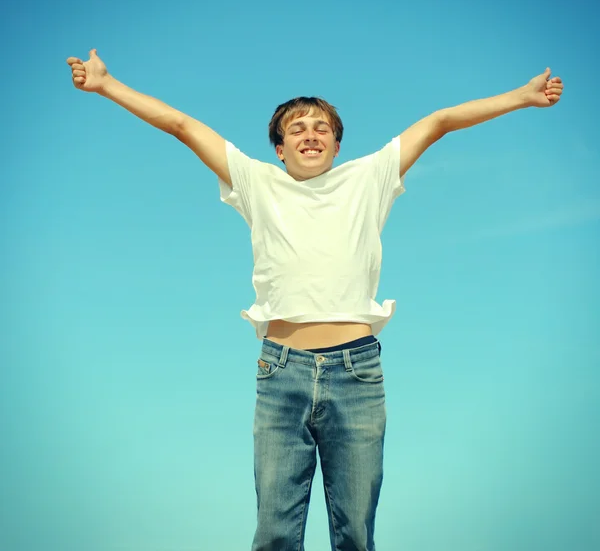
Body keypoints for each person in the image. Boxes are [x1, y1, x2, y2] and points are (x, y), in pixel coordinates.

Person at [66, 50, 564, 551]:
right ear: (280, 149)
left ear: (337, 144)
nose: (310, 134)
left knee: (355, 533)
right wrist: (108, 85)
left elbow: (437, 123)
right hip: (281, 373)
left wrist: (521, 97)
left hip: (357, 374)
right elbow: (180, 124)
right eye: (297, 128)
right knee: (275, 534)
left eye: (321, 127)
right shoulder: (257, 183)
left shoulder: (368, 178)